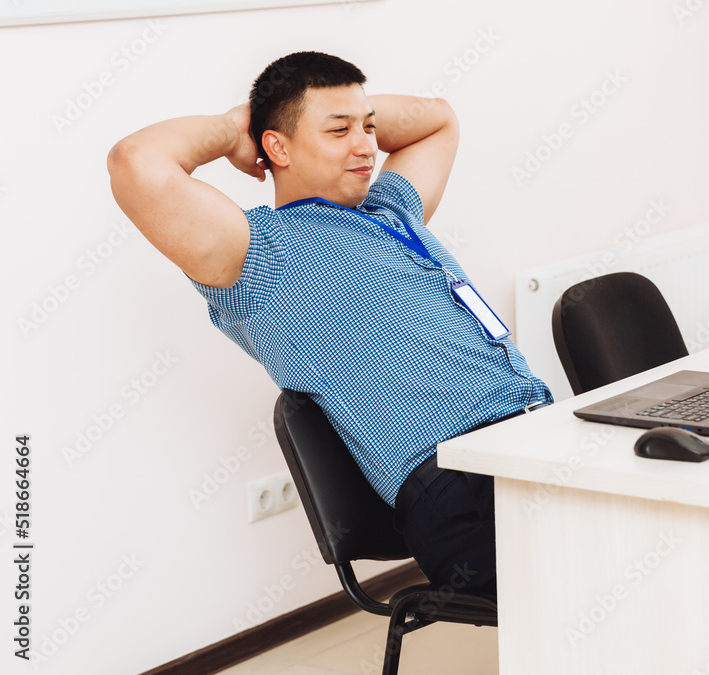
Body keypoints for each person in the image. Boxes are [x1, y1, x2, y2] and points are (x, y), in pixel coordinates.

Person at [107, 51, 552, 595]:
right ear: (277, 147)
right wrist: (236, 126)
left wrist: (344, 116)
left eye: (369, 128)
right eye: (338, 131)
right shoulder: (257, 253)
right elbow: (134, 160)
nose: (366, 146)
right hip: (460, 483)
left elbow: (438, 119)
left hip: (534, 433)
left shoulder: (390, 209)